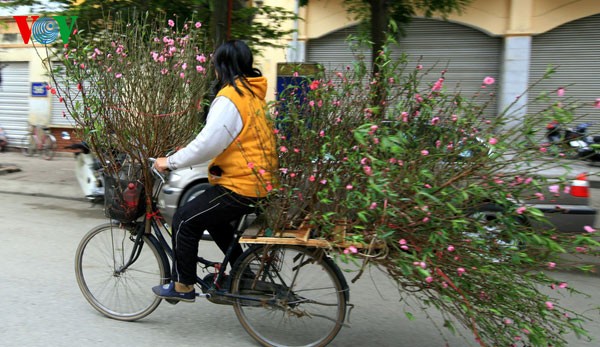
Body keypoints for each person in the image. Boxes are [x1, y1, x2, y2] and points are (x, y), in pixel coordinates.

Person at [152, 40, 278, 302]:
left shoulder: (231, 97)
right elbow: (225, 140)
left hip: (242, 185)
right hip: (256, 181)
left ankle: (183, 286)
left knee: (185, 219)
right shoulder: (252, 96)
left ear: (222, 66)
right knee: (216, 221)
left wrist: (170, 161)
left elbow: (209, 144)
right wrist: (188, 150)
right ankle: (243, 274)